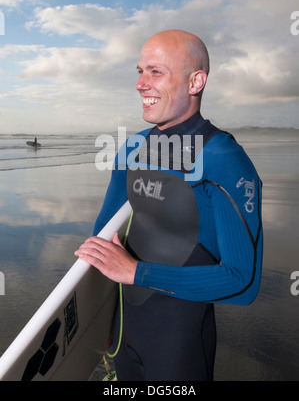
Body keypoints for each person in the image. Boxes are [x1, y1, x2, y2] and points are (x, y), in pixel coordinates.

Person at [75, 30, 263, 381]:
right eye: (139, 71)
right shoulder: (130, 148)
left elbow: (243, 281)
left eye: (156, 72)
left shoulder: (225, 159)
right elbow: (103, 238)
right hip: (122, 338)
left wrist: (136, 273)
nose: (140, 84)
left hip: (178, 348)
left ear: (196, 81)